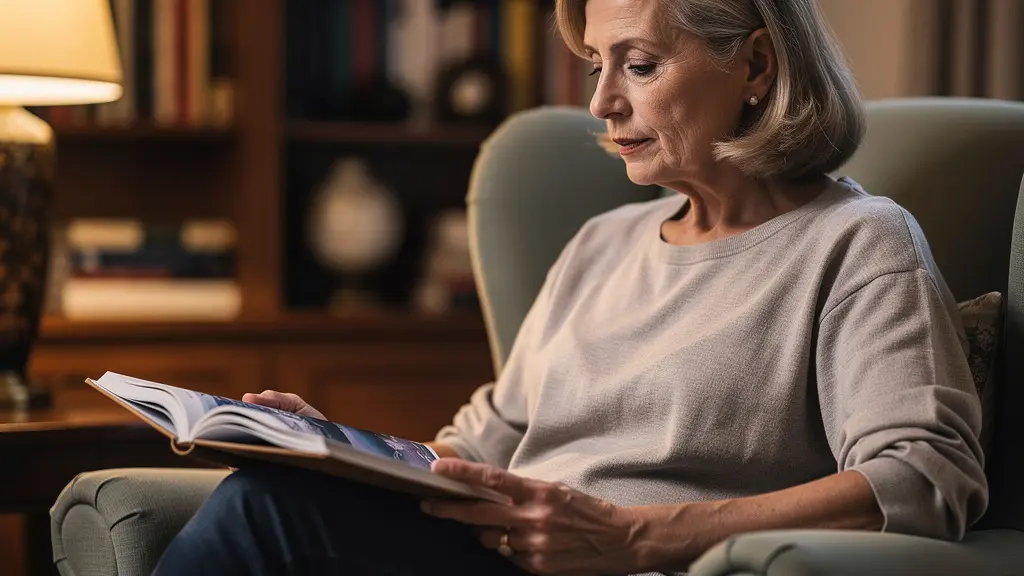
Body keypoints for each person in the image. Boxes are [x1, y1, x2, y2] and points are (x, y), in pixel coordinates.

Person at [154, 0, 987, 574]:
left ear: (757, 65)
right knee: (279, 485)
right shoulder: (599, 245)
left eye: (641, 64)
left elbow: (923, 477)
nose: (602, 101)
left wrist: (633, 538)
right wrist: (335, 446)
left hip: (636, 566)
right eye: (596, 63)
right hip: (492, 553)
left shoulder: (858, 242)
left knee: (266, 514)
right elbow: (476, 450)